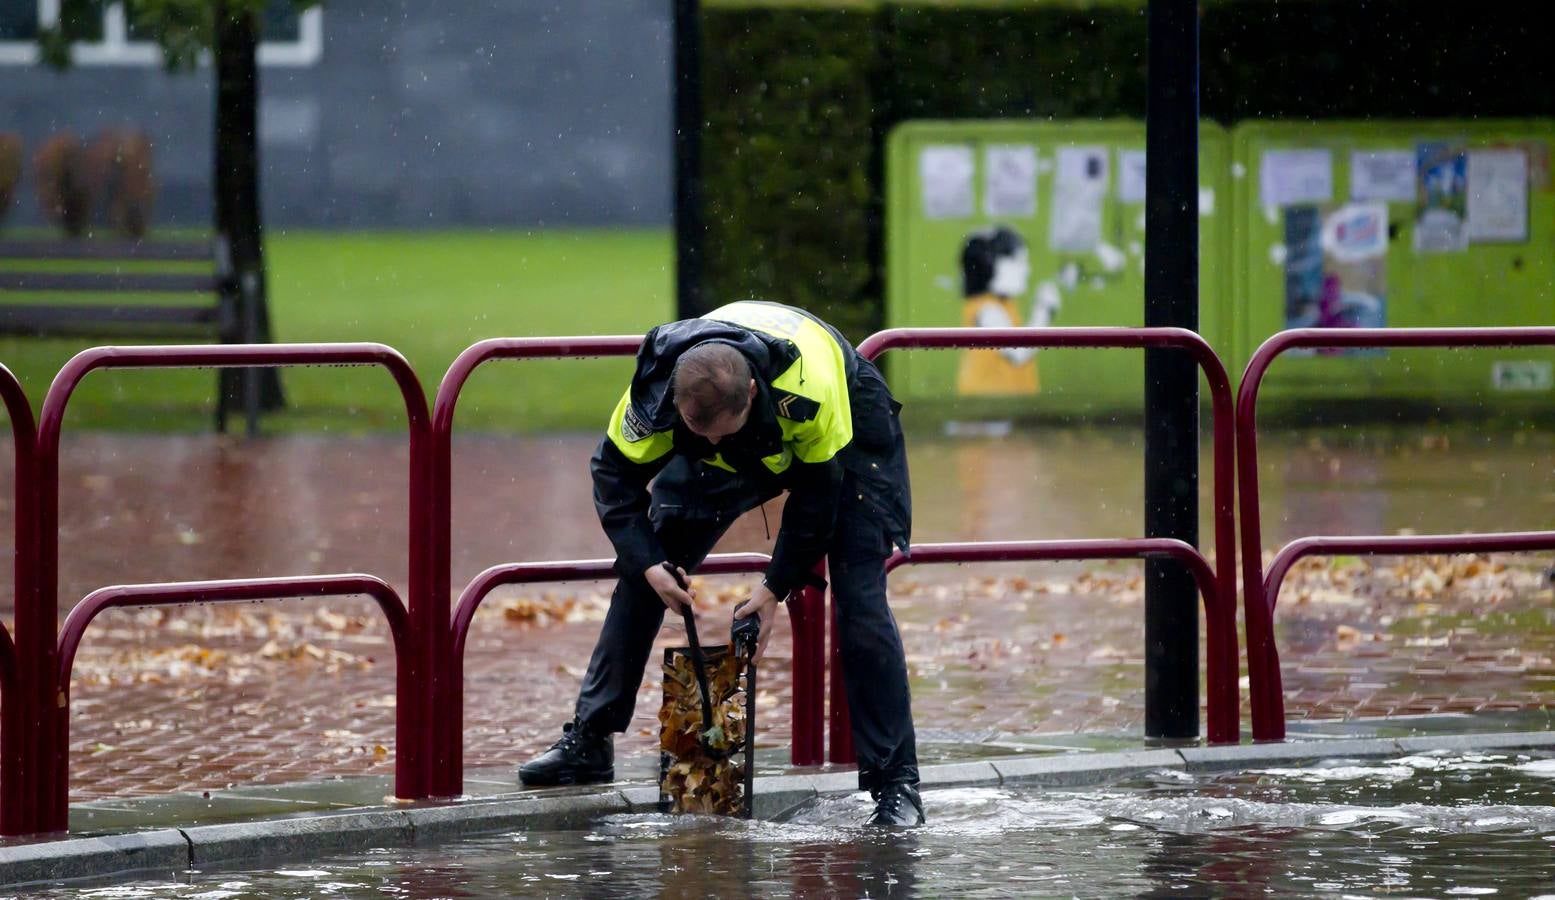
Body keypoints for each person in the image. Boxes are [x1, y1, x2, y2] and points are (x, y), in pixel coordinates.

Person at [518, 300, 923, 826]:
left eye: (721, 433)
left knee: (860, 599)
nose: (710, 442)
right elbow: (612, 477)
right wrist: (648, 563)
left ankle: (898, 785)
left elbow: (819, 497)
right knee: (644, 571)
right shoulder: (658, 392)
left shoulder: (808, 391)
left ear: (751, 394)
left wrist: (776, 586)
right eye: (698, 431)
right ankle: (590, 741)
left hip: (846, 442)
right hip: (734, 426)